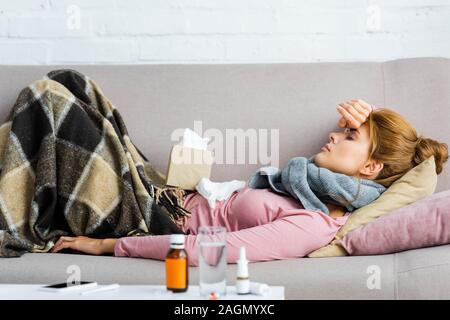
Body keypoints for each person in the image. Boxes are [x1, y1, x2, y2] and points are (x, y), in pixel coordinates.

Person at [51, 99, 449, 266]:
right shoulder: (304, 186)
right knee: (78, 91)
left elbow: (209, 250)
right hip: (157, 190)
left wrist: (107, 245)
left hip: (152, 215)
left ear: (371, 169)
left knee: (55, 105)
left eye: (348, 138)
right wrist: (366, 118)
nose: (333, 135)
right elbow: (360, 148)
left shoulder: (315, 223)